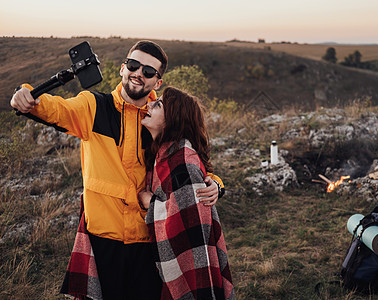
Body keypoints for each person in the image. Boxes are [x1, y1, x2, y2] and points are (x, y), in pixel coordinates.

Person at [10, 40, 224, 299]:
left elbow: (186, 157)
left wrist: (214, 182)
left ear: (157, 82)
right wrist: (27, 95)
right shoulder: (92, 107)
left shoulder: (160, 118)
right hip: (104, 240)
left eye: (148, 71)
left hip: (149, 241)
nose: (138, 73)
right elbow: (55, 108)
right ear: (123, 68)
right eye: (134, 65)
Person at [138, 86, 234, 300]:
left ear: (173, 118)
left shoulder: (182, 160)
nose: (150, 104)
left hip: (188, 263)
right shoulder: (162, 153)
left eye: (159, 104)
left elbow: (189, 234)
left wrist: (150, 202)